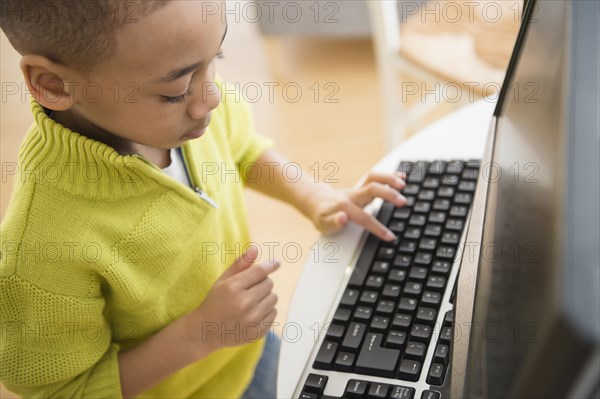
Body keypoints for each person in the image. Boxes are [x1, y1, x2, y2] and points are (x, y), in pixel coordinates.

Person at [0, 1, 407, 398]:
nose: (210, 97)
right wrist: (201, 333)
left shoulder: (189, 100)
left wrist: (315, 195)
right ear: (53, 84)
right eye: (175, 91)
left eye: (217, 55)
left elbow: (241, 147)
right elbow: (63, 390)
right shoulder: (40, 250)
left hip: (250, 346)